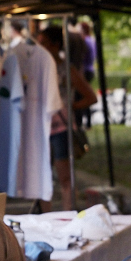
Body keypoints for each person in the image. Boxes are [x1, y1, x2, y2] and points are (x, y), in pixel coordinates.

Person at [39, 25, 97, 211]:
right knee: (42, 175)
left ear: (55, 45)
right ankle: (45, 216)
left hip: (61, 127)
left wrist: (68, 107)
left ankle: (67, 213)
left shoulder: (66, 69)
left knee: (64, 175)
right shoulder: (38, 67)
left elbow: (90, 96)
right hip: (42, 126)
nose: (42, 48)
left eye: (45, 43)